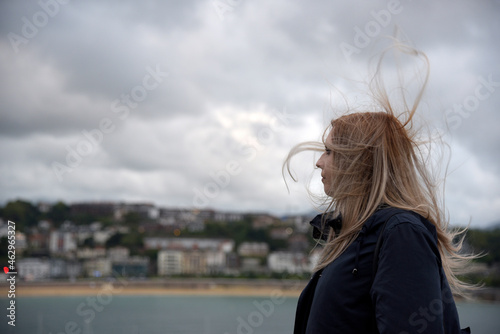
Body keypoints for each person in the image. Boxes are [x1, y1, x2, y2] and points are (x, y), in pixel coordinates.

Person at [284, 45, 475, 333]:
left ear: (359, 161)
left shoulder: (402, 233)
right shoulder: (355, 236)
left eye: (330, 152)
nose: (319, 163)